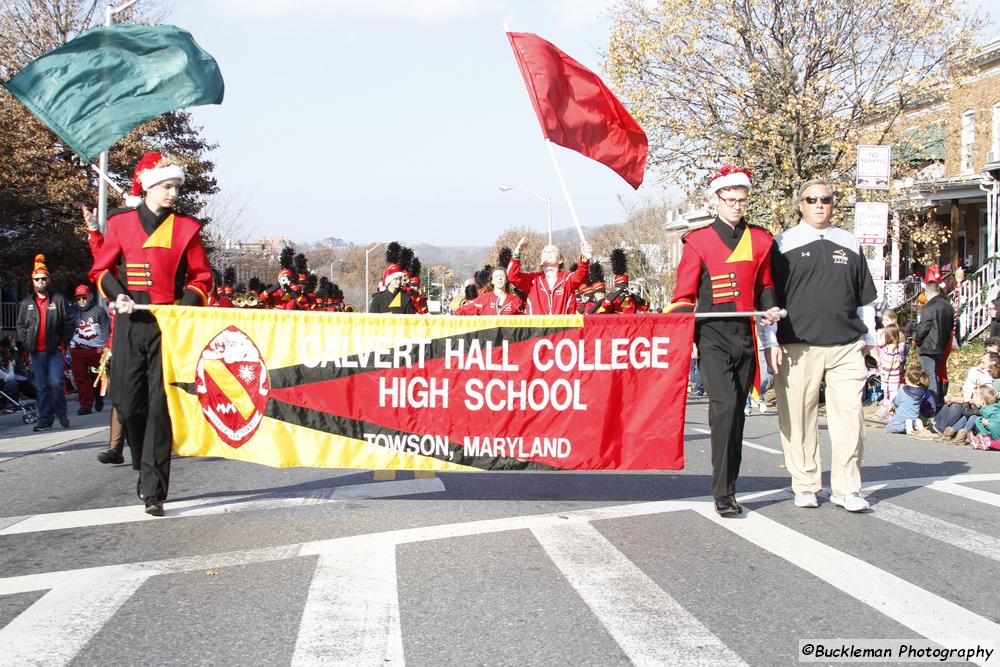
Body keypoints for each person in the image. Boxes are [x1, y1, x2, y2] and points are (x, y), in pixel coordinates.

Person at [89, 151, 213, 516]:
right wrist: (118, 294)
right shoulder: (121, 224)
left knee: (160, 406)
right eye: (166, 186)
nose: (173, 193)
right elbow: (101, 269)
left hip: (167, 325)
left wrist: (182, 307)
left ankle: (154, 487)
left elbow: (202, 278)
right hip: (129, 321)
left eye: (176, 186)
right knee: (127, 403)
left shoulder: (187, 229)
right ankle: (142, 459)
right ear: (148, 186)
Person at [665, 164, 782, 516]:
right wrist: (687, 337)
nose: (736, 206)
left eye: (742, 201)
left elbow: (765, 285)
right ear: (716, 199)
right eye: (729, 200)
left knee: (738, 415)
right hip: (711, 334)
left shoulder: (761, 240)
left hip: (744, 333)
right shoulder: (698, 241)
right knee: (724, 409)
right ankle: (723, 492)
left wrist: (770, 308)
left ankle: (729, 484)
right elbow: (683, 295)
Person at [766, 179, 877, 513]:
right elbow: (769, 297)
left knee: (850, 418)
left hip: (846, 344)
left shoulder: (849, 242)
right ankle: (805, 483)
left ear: (833, 204)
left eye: (826, 199)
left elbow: (865, 299)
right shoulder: (782, 242)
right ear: (801, 204)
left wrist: (869, 339)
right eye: (812, 199)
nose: (819, 205)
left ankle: (847, 488)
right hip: (798, 345)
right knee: (799, 418)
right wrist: (769, 341)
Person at [15, 254, 74, 432]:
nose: (40, 282)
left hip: (54, 350)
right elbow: (21, 325)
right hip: (35, 352)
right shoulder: (27, 303)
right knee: (41, 387)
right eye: (37, 279)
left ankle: (61, 412)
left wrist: (62, 341)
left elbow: (69, 322)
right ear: (32, 281)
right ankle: (45, 419)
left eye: (43, 278)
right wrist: (27, 343)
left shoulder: (58, 299)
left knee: (55, 382)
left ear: (49, 279)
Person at [506, 237, 591, 315]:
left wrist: (585, 257)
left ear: (560, 260)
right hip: (537, 330)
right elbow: (512, 276)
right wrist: (517, 252)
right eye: (545, 252)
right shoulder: (533, 280)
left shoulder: (567, 279)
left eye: (552, 251)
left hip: (562, 329)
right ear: (541, 261)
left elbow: (581, 275)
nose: (548, 253)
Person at [68, 283, 110, 415]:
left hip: (96, 350)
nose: (81, 301)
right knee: (80, 378)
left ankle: (99, 397)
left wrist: (105, 347)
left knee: (96, 376)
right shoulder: (72, 311)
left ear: (90, 296)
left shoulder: (99, 311)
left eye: (84, 298)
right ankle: (85, 405)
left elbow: (105, 329)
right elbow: (67, 327)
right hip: (78, 349)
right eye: (78, 298)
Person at [914, 281, 954, 406]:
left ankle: (932, 405)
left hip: (928, 346)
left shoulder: (929, 307)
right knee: (934, 373)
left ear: (927, 292)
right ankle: (935, 403)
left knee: (929, 375)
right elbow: (950, 327)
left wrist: (917, 340)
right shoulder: (948, 306)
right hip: (941, 345)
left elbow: (923, 327)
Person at [886, 368, 935, 435]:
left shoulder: (902, 390)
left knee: (889, 428)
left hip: (901, 416)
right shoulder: (922, 391)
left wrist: (892, 405)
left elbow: (897, 402)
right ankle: (917, 423)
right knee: (913, 419)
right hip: (915, 415)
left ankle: (906, 426)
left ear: (908, 379)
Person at [370, 244, 416, 314]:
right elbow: (371, 320)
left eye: (400, 279)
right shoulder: (377, 298)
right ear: (389, 281)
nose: (398, 281)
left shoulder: (406, 298)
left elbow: (410, 320)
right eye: (395, 279)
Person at [875, 323, 904, 420]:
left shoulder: (890, 348)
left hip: (889, 376)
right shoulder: (896, 347)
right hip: (895, 375)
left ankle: (891, 413)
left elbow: (888, 364)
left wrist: (885, 376)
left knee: (891, 395)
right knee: (892, 394)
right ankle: (890, 412)